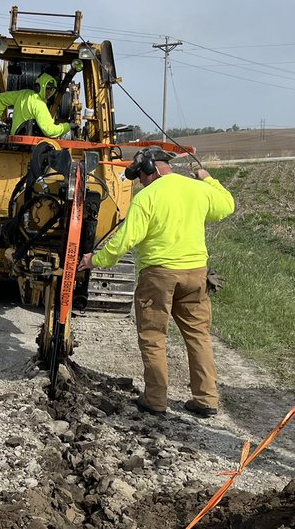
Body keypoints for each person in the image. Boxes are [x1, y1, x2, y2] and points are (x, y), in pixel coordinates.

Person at [79, 147, 235, 417]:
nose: (138, 181)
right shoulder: (197, 189)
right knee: (198, 336)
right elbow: (227, 205)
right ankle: (206, 399)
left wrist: (96, 260)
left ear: (150, 168)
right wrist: (208, 178)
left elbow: (125, 241)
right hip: (196, 274)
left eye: (139, 175)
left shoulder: (147, 197)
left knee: (153, 338)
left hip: (159, 276)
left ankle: (155, 399)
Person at [0, 73, 69, 138]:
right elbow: (49, 131)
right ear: (40, 86)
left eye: (51, 89)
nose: (49, 92)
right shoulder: (39, 105)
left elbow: (2, 98)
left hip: (14, 138)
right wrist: (66, 127)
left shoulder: (23, 94)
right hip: (31, 146)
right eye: (47, 88)